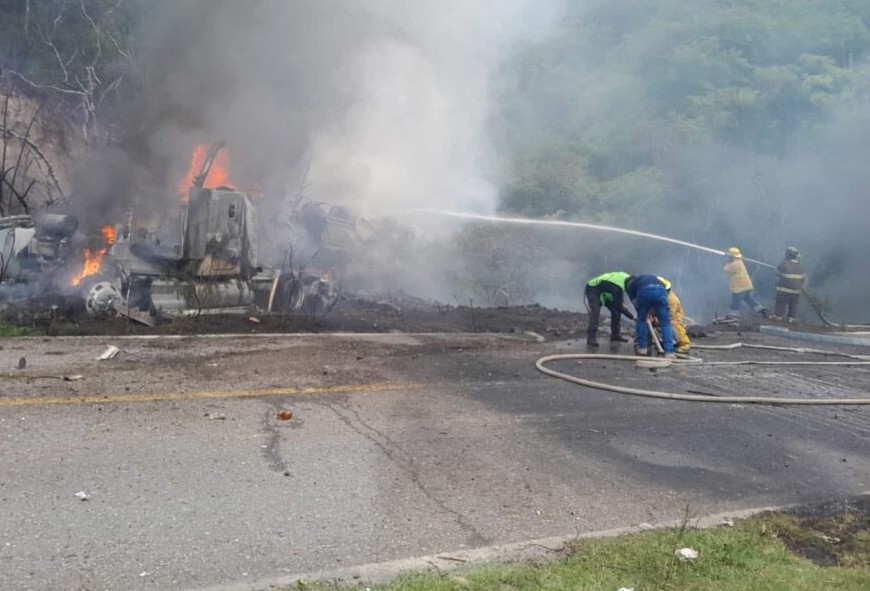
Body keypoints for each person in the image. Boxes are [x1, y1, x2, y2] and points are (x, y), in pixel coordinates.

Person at [625, 274, 675, 358]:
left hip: (645, 292)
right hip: (661, 291)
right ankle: (669, 352)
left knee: (641, 320)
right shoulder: (652, 278)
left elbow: (636, 304)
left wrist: (645, 313)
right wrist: (653, 312)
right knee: (665, 323)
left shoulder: (630, 286)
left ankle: (643, 348)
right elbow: (659, 295)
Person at [584, 271, 636, 347]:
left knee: (615, 310)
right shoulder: (616, 286)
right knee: (596, 310)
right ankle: (591, 337)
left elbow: (619, 300)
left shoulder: (626, 279)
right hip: (593, 288)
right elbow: (619, 305)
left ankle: (615, 335)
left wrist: (621, 303)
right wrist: (632, 317)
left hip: (605, 290)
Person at [723, 247, 768, 319]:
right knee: (749, 299)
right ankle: (761, 310)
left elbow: (725, 269)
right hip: (745, 286)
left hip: (740, 287)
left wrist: (727, 260)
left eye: (729, 256)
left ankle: (733, 315)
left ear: (732, 257)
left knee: (736, 301)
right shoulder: (739, 262)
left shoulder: (735, 264)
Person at [656, 276, 691, 354]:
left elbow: (670, 315)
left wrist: (659, 319)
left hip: (676, 317)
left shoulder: (672, 300)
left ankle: (684, 344)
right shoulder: (664, 296)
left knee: (674, 326)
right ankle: (670, 341)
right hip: (665, 314)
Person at [773, 246, 806, 323]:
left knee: (780, 303)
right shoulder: (801, 266)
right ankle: (792, 318)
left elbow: (777, 272)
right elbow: (803, 278)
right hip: (796, 291)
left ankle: (778, 316)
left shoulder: (784, 263)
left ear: (787, 255)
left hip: (784, 290)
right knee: (793, 305)